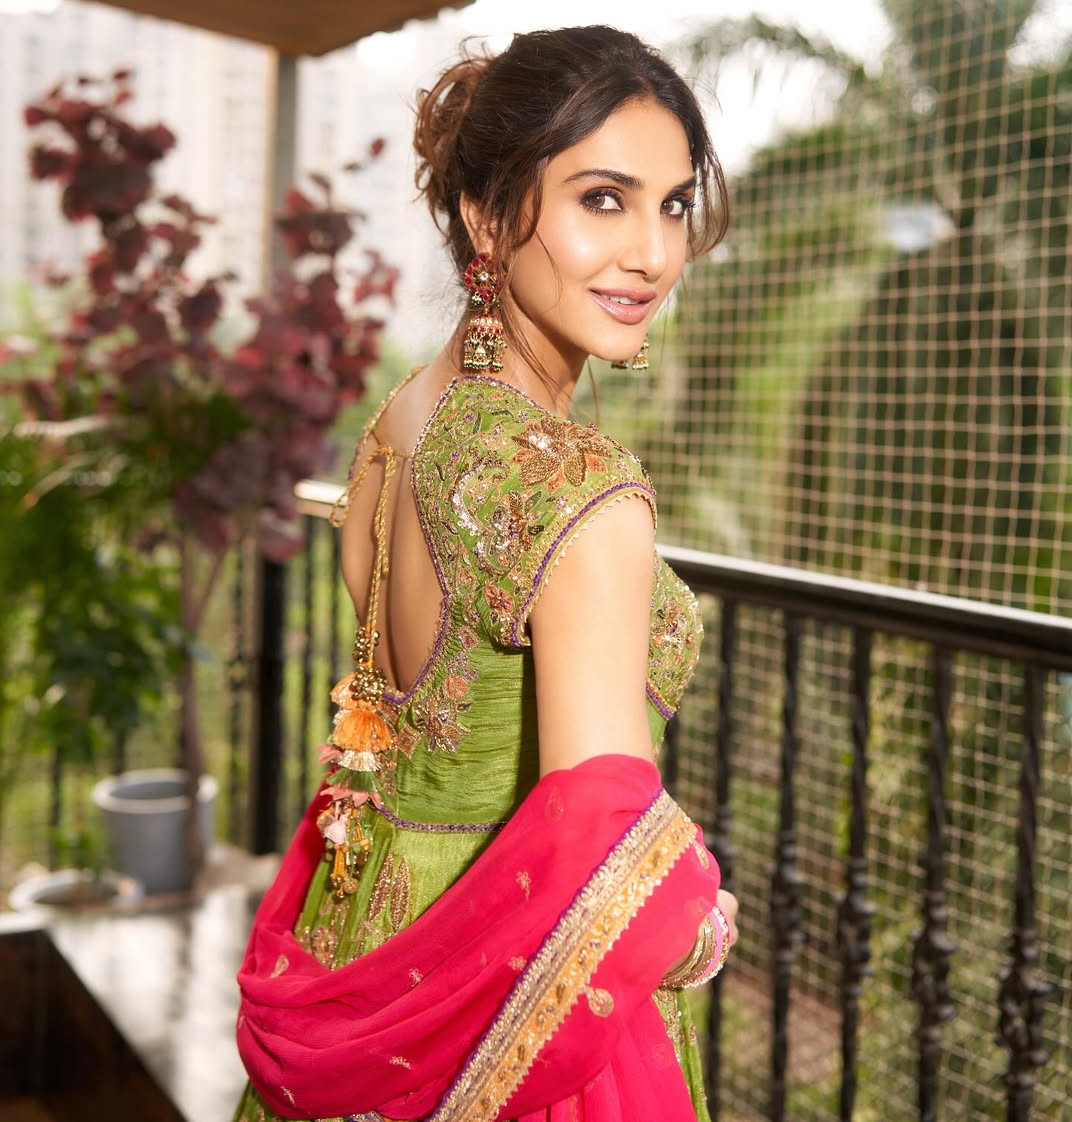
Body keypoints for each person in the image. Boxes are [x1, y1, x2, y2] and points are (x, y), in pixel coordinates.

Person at [234, 25, 738, 1122]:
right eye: (602, 199)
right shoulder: (581, 490)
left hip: (373, 937)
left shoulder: (401, 422)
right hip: (507, 1002)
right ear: (486, 214)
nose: (653, 254)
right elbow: (604, 846)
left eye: (672, 205)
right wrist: (698, 930)